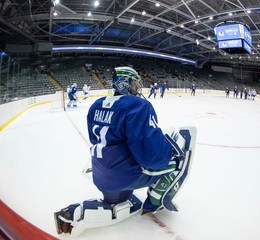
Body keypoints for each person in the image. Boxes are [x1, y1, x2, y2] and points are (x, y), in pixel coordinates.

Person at [54, 67, 187, 235]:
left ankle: (107, 202)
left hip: (101, 176)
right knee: (180, 159)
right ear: (124, 83)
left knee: (120, 189)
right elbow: (151, 157)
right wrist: (169, 150)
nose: (137, 89)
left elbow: (96, 140)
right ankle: (155, 199)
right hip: (125, 178)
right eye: (134, 85)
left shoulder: (96, 105)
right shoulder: (138, 105)